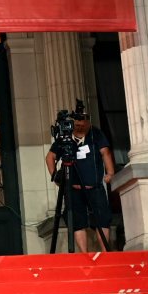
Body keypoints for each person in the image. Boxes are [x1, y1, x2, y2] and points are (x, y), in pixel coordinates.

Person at [46, 107, 115, 252]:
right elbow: (50, 157)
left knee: (102, 219)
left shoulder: (95, 134)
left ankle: (106, 252)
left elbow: (105, 152)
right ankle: (84, 254)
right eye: (77, 121)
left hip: (94, 186)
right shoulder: (64, 138)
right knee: (78, 222)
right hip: (73, 188)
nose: (80, 124)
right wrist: (55, 176)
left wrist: (110, 172)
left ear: (88, 121)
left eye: (83, 120)